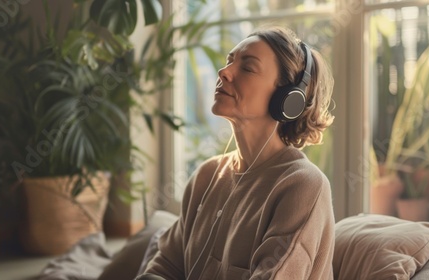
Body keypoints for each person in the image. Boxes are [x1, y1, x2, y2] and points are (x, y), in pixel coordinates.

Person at [137, 25, 335, 280]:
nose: (224, 71)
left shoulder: (303, 186)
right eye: (230, 61)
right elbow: (163, 267)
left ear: (287, 99)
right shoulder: (207, 176)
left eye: (247, 67)